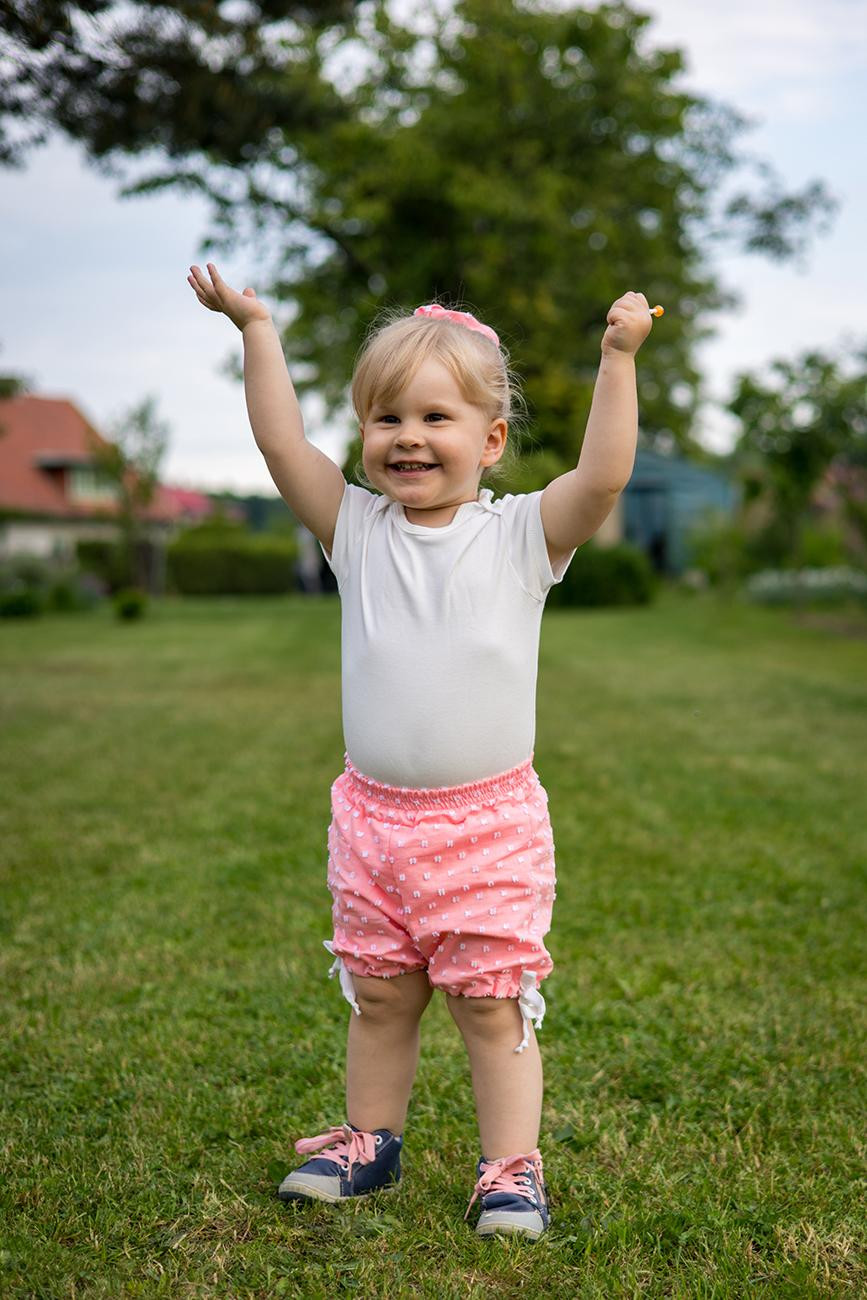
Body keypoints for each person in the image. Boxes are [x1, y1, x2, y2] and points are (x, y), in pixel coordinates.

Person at [187, 263, 653, 1239]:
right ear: (364, 439)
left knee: (491, 1010)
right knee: (380, 997)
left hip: (486, 824)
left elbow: (604, 474)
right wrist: (257, 328)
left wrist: (617, 361)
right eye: (386, 417)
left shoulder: (524, 535)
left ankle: (510, 1171)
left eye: (436, 418)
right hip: (373, 819)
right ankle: (371, 1141)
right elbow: (280, 442)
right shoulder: (355, 531)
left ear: (488, 441)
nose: (408, 436)